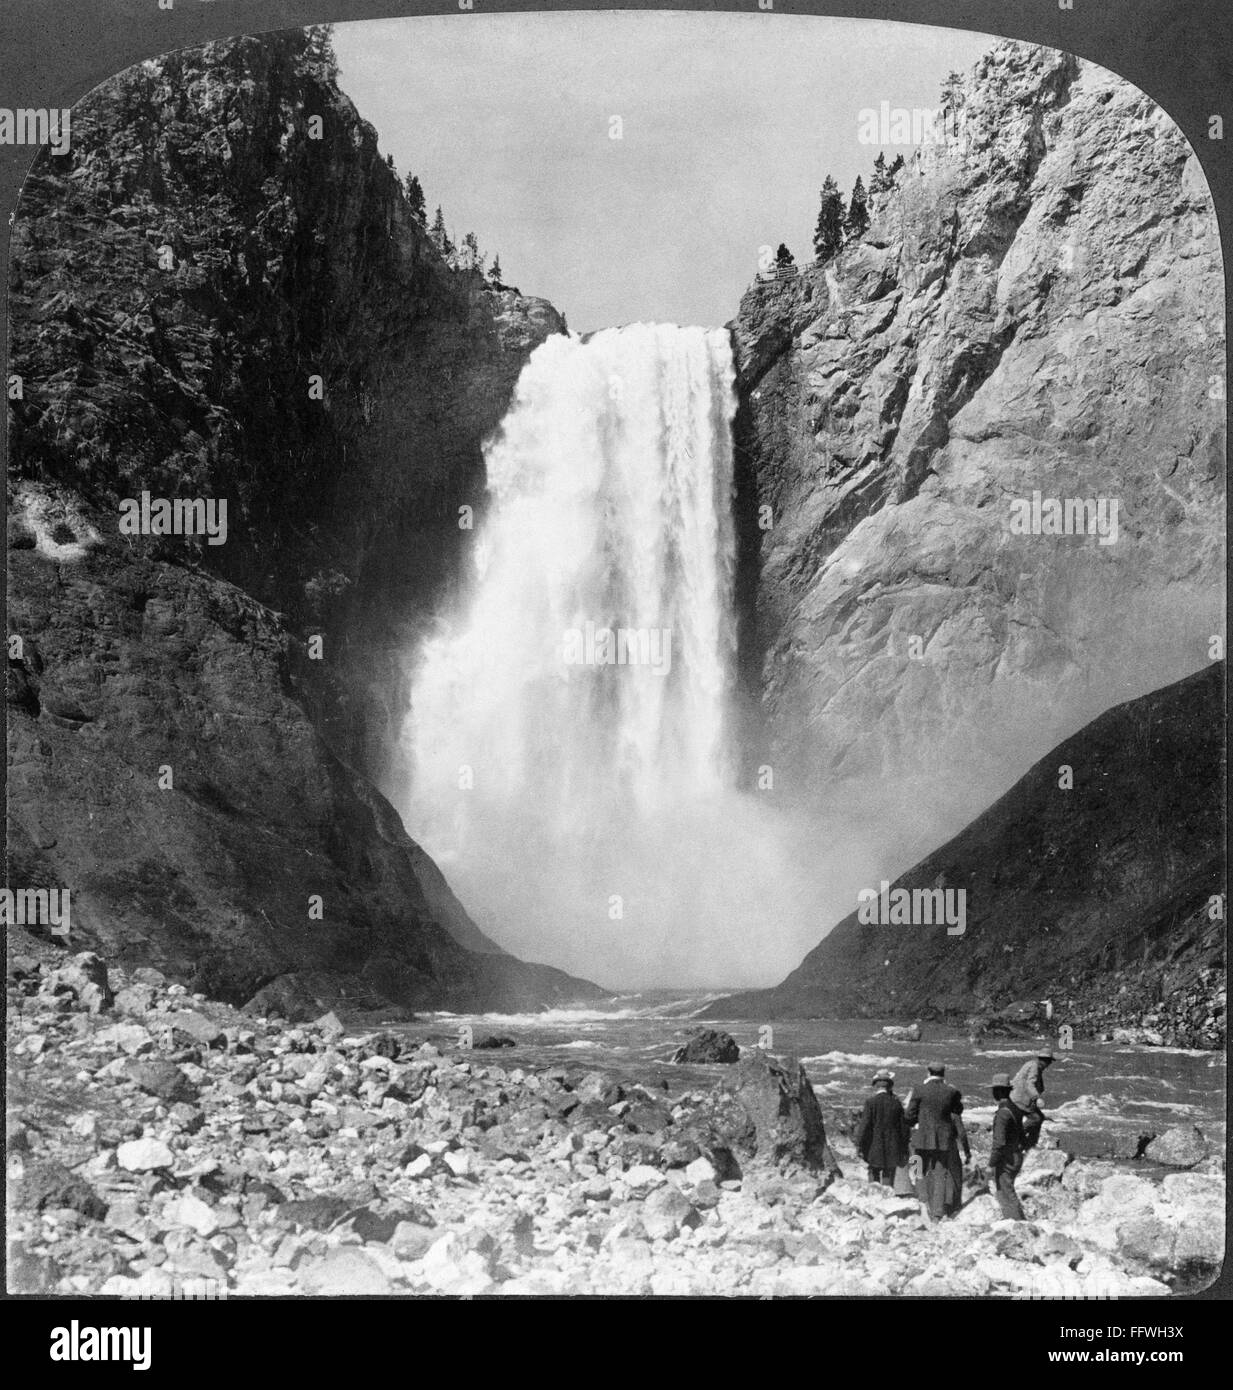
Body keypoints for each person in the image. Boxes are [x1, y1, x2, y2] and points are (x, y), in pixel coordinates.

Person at [905, 1063, 970, 1221]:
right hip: (943, 1139)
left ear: (928, 1072)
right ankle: (937, 1213)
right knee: (940, 1174)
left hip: (922, 1138)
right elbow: (958, 1110)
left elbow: (909, 1116)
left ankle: (923, 1203)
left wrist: (917, 1121)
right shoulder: (951, 1091)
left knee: (918, 1170)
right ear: (943, 1074)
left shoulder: (919, 1089)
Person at [855, 1069, 909, 1186]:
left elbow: (864, 1125)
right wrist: (904, 1148)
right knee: (888, 1173)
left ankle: (874, 1197)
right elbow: (904, 1129)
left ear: (876, 1086)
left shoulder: (870, 1102)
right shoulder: (896, 1103)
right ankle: (887, 1197)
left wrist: (858, 1144)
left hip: (874, 1144)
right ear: (889, 1086)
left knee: (873, 1171)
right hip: (892, 1144)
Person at [989, 1073, 1026, 1220]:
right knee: (1008, 1191)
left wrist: (991, 1164)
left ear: (997, 1091)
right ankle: (1018, 1221)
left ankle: (1017, 1225)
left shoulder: (1003, 1113)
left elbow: (998, 1143)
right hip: (1016, 1155)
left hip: (1007, 1159)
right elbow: (1023, 1136)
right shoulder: (1015, 1108)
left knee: (1006, 1193)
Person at [1010, 1046, 1054, 1151]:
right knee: (1036, 1118)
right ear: (1045, 1061)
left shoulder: (1032, 1065)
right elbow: (1030, 1084)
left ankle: (1029, 1145)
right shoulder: (1034, 1067)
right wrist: (1037, 1098)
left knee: (1039, 1117)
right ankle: (1018, 1139)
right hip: (1020, 1100)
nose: (1049, 1065)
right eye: (1048, 1062)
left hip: (1020, 1099)